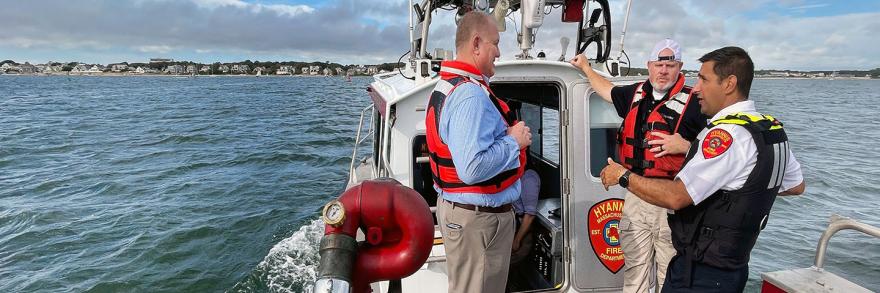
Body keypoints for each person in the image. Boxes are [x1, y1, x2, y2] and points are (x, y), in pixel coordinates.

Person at [599, 46, 806, 292]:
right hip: (734, 267)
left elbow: (676, 197)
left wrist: (622, 175)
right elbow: (795, 186)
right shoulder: (768, 129)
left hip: (700, 270)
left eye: (704, 79)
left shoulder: (725, 134)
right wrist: (734, 194)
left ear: (729, 83)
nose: (696, 88)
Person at [570, 39, 706, 292]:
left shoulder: (698, 104)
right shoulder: (635, 94)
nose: (663, 70)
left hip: (673, 201)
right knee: (635, 270)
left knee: (670, 272)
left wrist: (686, 147)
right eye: (658, 64)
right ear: (649, 66)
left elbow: (718, 152)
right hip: (636, 196)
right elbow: (607, 91)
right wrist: (586, 69)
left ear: (680, 67)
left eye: (670, 64)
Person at [425, 11, 532, 293]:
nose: (498, 51)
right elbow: (471, 169)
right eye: (494, 43)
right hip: (480, 223)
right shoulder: (471, 95)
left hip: (468, 217)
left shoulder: (448, 86)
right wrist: (515, 142)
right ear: (476, 44)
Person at [511, 168, 540, 262]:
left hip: (521, 230)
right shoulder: (513, 176)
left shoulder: (529, 177)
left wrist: (517, 240)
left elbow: (530, 214)